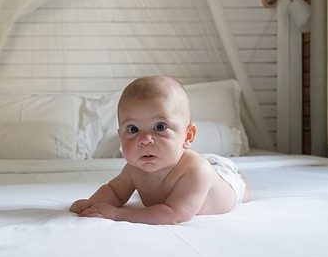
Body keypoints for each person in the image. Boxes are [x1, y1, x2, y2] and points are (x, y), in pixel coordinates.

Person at [69, 75, 247, 225]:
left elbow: (172, 214)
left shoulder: (196, 173)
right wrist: (92, 204)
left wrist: (118, 215)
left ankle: (241, 182)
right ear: (120, 136)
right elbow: (114, 191)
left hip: (223, 177)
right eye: (133, 129)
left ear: (188, 136)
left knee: (237, 185)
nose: (145, 140)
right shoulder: (135, 168)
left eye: (160, 127)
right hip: (194, 163)